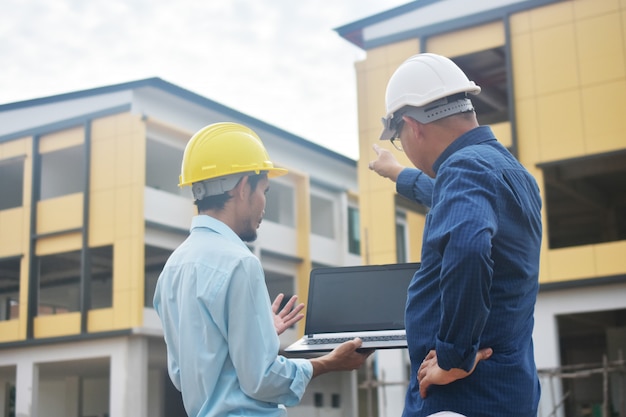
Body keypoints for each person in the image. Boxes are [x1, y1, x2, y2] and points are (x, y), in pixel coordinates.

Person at [153, 122, 372, 417]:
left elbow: (182, 375)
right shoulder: (240, 263)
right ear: (244, 187)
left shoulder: (172, 269)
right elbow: (263, 380)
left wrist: (259, 334)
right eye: (265, 190)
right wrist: (330, 361)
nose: (263, 204)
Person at [369, 53, 542, 417]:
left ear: (412, 126)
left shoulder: (463, 167)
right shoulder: (512, 173)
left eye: (400, 139)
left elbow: (467, 247)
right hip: (504, 391)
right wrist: (397, 172)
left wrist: (453, 356)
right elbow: (451, 204)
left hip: (463, 397)